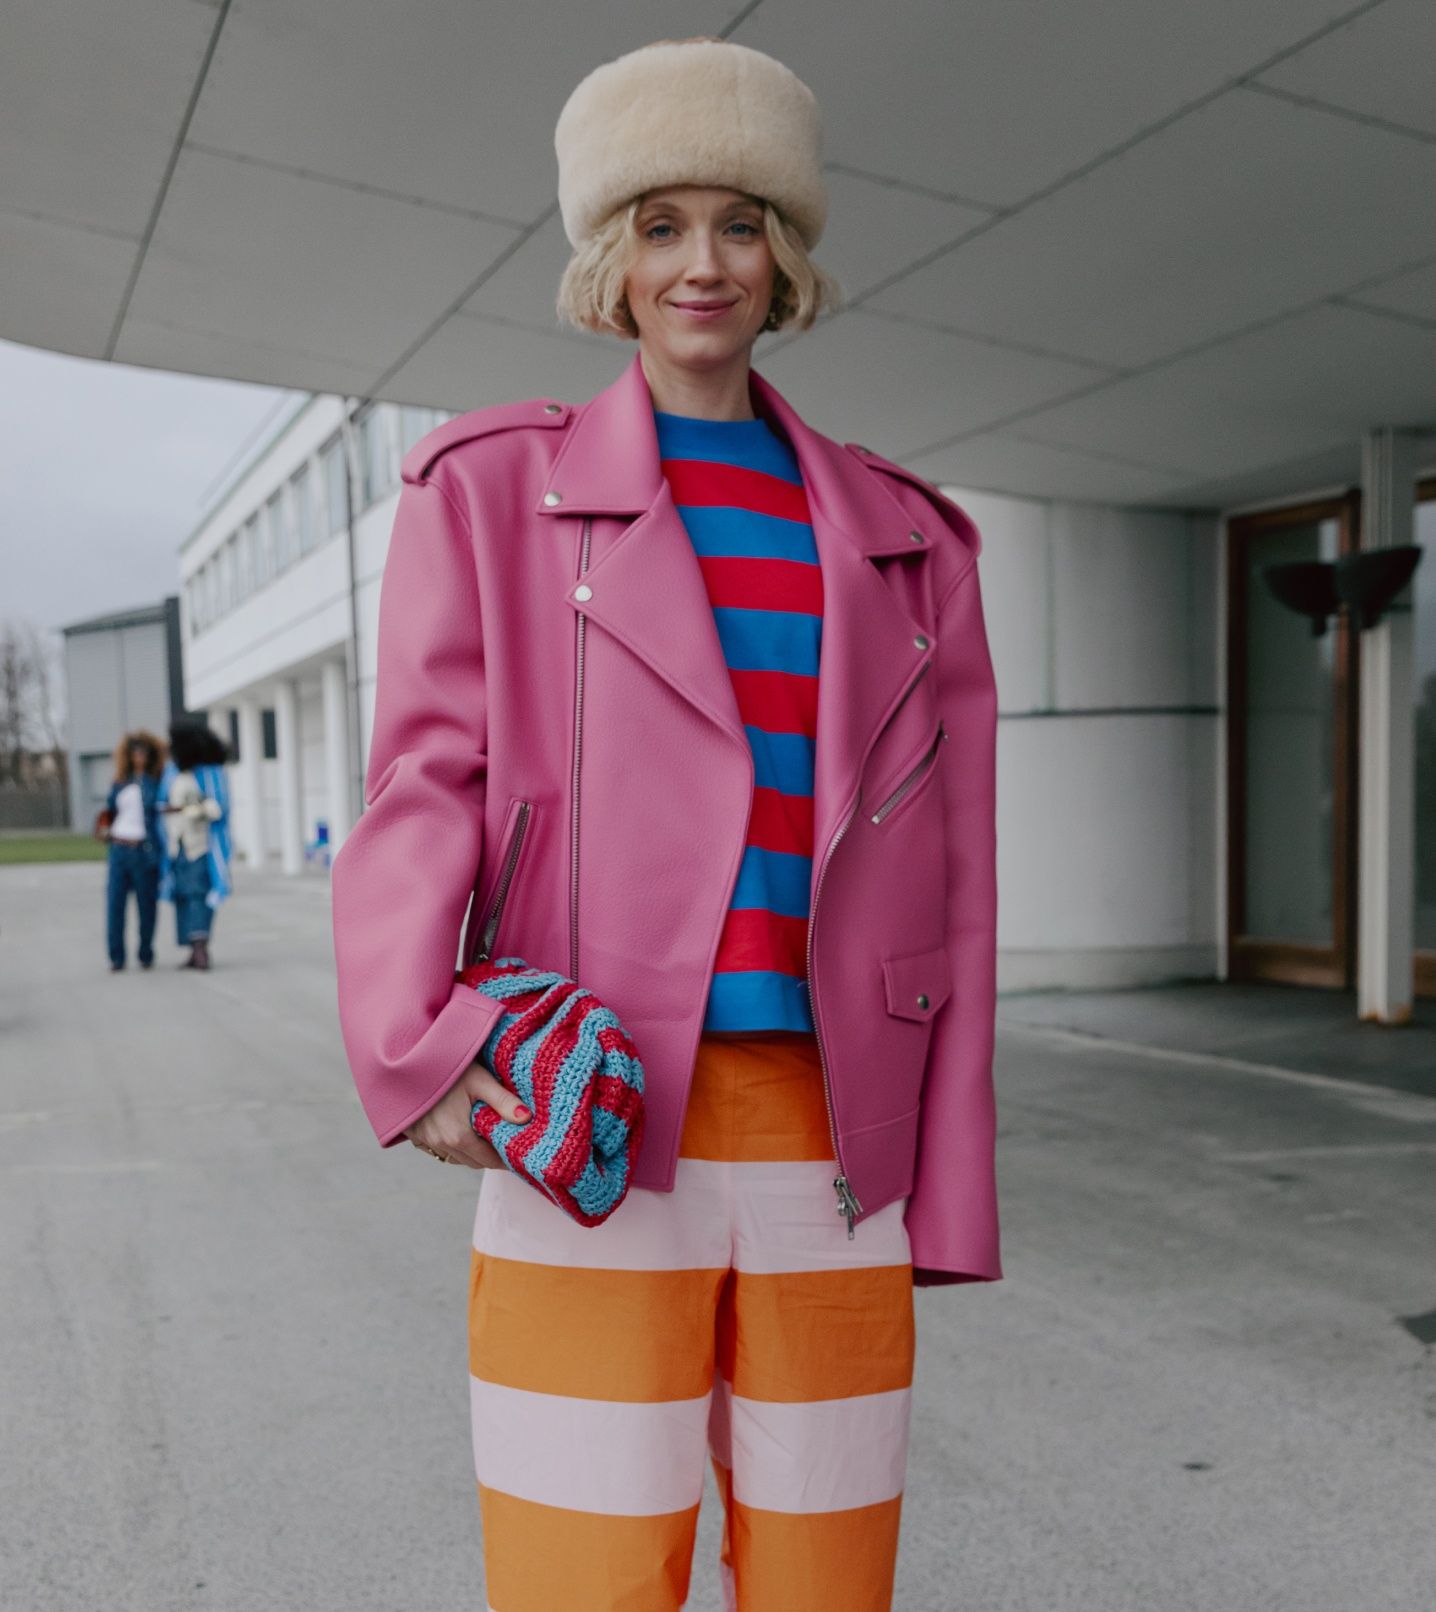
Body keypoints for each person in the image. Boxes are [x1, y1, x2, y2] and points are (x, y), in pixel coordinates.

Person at [331, 36, 1001, 1612]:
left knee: (828, 1574)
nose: (704, 263)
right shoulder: (489, 491)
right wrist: (418, 1041)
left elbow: (952, 882)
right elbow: (423, 784)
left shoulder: (913, 541)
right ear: (606, 260)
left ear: (791, 257)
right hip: (594, 1117)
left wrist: (954, 1174)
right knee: (586, 1572)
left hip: (836, 1132)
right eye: (659, 223)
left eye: (744, 222)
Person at [159, 720, 233, 971]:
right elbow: (162, 800)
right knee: (182, 895)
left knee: (198, 893)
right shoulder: (173, 771)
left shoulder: (211, 771)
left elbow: (219, 807)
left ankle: (201, 947)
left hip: (202, 845)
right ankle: (192, 948)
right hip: (177, 844)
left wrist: (192, 809)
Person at [102, 730, 168, 971]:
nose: (139, 756)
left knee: (146, 906)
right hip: (119, 849)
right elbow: (110, 812)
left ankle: (146, 952)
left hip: (144, 850)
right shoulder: (120, 783)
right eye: (134, 752)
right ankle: (116, 956)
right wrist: (104, 828)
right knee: (115, 904)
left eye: (143, 752)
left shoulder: (156, 783)